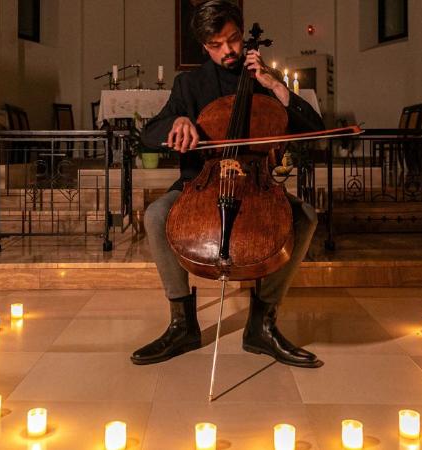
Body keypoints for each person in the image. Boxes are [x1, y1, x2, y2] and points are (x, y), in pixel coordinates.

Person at [131, 0, 324, 368]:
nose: (229, 51)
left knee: (306, 217)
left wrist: (272, 83)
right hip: (198, 186)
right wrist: (178, 124)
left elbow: (313, 127)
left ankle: (262, 324)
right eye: (217, 45)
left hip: (256, 186)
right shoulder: (189, 84)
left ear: (242, 33)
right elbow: (148, 133)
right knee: (156, 215)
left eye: (233, 39)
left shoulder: (262, 81)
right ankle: (182, 323)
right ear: (204, 46)